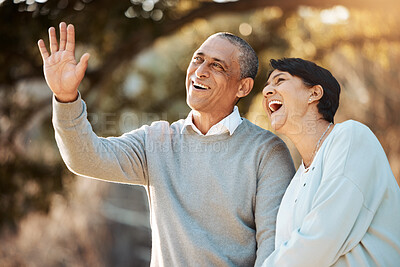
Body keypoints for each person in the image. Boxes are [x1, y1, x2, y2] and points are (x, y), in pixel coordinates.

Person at [37, 22, 296, 266]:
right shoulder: (157, 141)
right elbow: (85, 158)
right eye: (198, 58)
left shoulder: (267, 152)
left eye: (217, 66)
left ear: (243, 87)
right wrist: (66, 97)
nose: (200, 71)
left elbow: (273, 250)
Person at [261, 57, 400, 266]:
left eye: (280, 81)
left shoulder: (351, 137)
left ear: (314, 93)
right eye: (267, 85)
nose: (267, 91)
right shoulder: (295, 184)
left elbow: (322, 237)